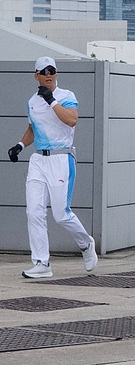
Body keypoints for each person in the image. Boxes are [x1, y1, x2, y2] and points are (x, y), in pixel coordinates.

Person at [8, 56, 98, 279]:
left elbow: (71, 120)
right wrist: (20, 145)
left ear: (56, 74)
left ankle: (86, 244)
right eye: (44, 71)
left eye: (52, 70)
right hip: (39, 160)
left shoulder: (67, 96)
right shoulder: (32, 101)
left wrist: (52, 101)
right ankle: (41, 262)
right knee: (34, 210)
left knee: (61, 214)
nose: (48, 74)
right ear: (36, 75)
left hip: (61, 157)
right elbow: (33, 129)